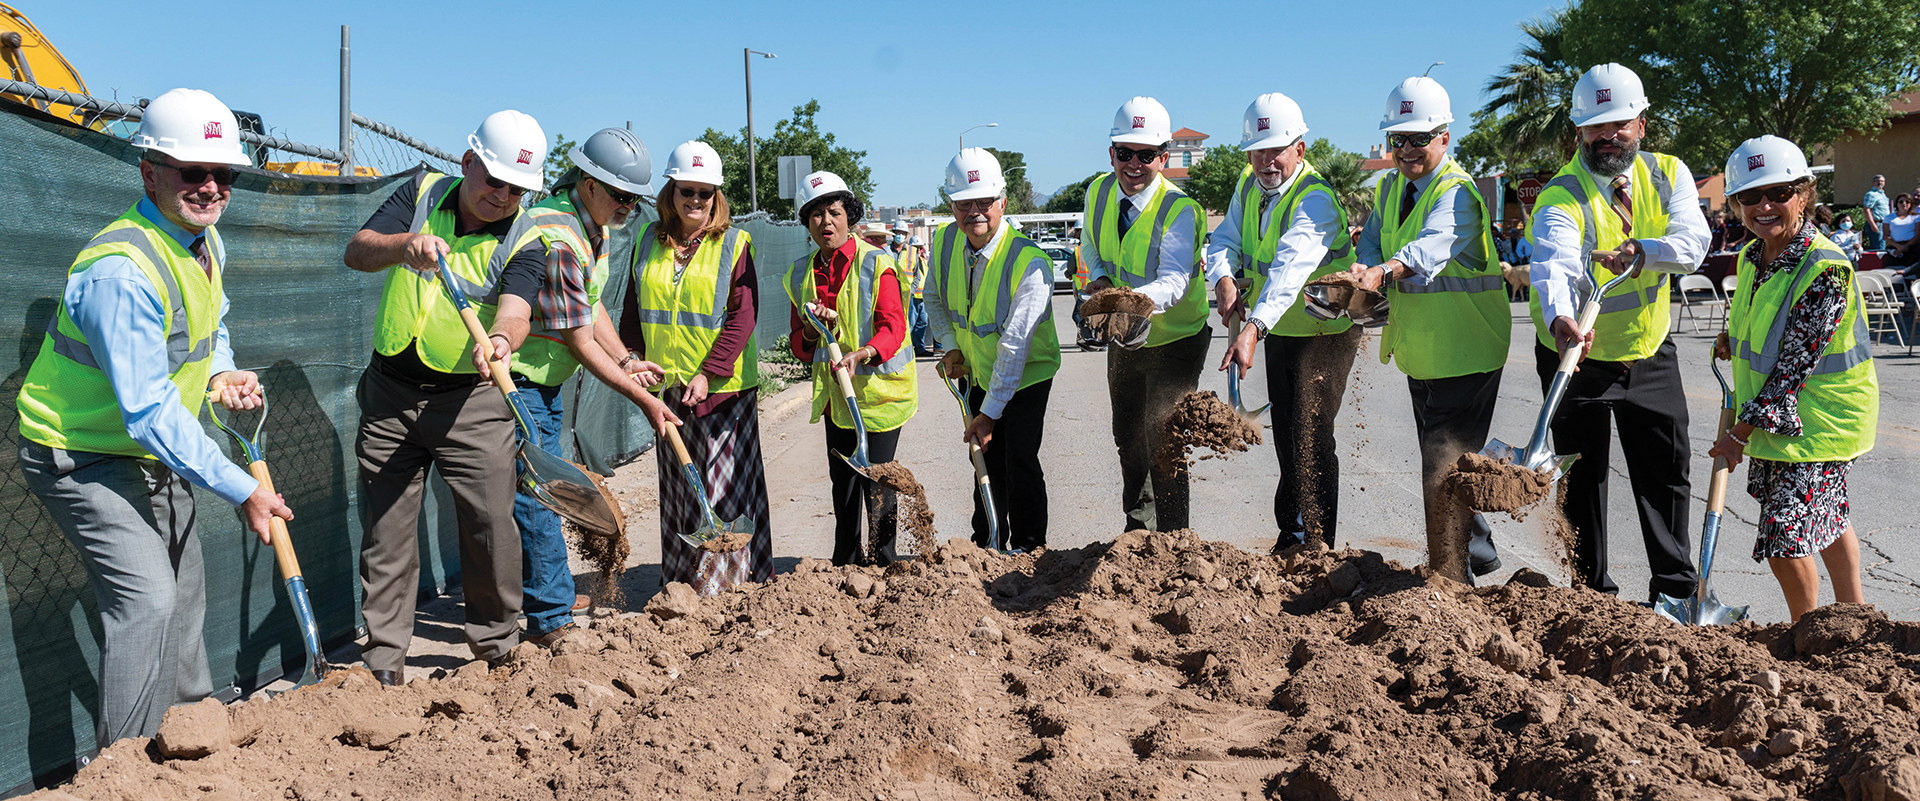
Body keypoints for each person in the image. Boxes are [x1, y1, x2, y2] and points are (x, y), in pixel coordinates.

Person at [16, 88, 294, 746]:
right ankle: (128, 767)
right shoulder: (122, 271)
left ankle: (189, 733)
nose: (210, 186)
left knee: (186, 588)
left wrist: (222, 371)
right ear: (149, 171)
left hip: (148, 451)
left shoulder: (204, 241)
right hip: (80, 454)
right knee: (147, 600)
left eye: (222, 173)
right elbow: (146, 411)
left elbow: (210, 322)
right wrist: (242, 486)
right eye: (191, 171)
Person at [343, 110, 552, 686]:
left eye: (517, 189)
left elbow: (516, 309)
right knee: (386, 528)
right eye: (494, 180)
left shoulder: (528, 237)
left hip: (471, 404)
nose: (504, 196)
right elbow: (358, 250)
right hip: (390, 394)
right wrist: (403, 246)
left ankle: (496, 650)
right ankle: (383, 663)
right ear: (467, 164)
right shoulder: (420, 191)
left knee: (490, 525)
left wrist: (504, 343)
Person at [489, 128, 679, 647]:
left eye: (633, 200)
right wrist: (641, 398)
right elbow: (577, 339)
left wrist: (627, 359)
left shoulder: (590, 227)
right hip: (517, 381)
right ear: (589, 182)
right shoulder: (558, 237)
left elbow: (592, 308)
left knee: (542, 489)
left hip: (545, 383)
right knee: (541, 493)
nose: (627, 207)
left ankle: (544, 597)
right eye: (620, 196)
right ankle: (550, 619)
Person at [1528, 63, 1710, 604]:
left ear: (1641, 124)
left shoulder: (1669, 174)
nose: (1608, 137)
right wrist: (1562, 318)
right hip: (1575, 355)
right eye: (1595, 128)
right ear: (1579, 131)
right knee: (1581, 482)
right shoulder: (1560, 194)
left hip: (1648, 351)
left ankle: (1676, 594)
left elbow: (1693, 243)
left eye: (1619, 125)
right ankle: (1591, 596)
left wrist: (1644, 252)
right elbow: (1553, 264)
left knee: (1666, 473)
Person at [1345, 76, 1510, 583]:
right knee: (1440, 460)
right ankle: (1475, 549)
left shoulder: (1457, 193)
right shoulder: (1392, 186)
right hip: (1422, 351)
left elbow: (1431, 247)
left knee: (1442, 465)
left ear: (1445, 137)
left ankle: (1452, 573)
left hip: (1468, 348)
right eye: (1399, 139)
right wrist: (1365, 270)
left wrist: (1385, 271)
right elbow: (1373, 240)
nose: (1409, 149)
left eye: (1421, 138)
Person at [1712, 135, 1876, 623]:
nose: (1764, 206)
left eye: (1779, 193)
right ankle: (1857, 618)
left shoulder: (1824, 268)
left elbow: (1791, 369)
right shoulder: (1751, 258)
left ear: (1804, 194)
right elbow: (1766, 326)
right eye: (1750, 197)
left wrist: (1736, 436)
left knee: (1786, 540)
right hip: (1782, 422)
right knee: (1827, 519)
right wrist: (1730, 335)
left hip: (1816, 422)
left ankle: (1809, 636)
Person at [1078, 96, 1236, 533]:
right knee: (1128, 437)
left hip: (1175, 340)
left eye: (1146, 155)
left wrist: (1121, 301)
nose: (1133, 164)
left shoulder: (1178, 210)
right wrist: (1100, 280)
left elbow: (1173, 281)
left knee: (1164, 439)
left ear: (1163, 158)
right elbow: (1090, 243)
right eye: (1124, 153)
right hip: (1126, 336)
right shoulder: (1097, 192)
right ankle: (1139, 530)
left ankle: (1173, 536)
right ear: (1111, 153)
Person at [1210, 93, 1359, 551]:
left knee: (1311, 436)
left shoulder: (1314, 200)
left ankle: (1314, 543)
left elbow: (1288, 272)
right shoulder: (1248, 185)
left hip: (1325, 333)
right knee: (1288, 439)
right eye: (1257, 150)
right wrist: (1224, 279)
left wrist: (1252, 329)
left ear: (1301, 147)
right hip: (1281, 332)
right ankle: (1292, 533)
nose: (1266, 159)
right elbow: (1224, 239)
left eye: (1276, 149)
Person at [621, 141, 774, 585]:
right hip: (668, 391)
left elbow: (742, 317)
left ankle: (729, 588)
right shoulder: (647, 242)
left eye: (704, 193)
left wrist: (710, 373)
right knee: (678, 491)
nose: (695, 200)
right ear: (670, 191)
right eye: (686, 190)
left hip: (722, 395)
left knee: (726, 493)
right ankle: (682, 585)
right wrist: (635, 360)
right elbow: (634, 313)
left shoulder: (733, 244)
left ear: (716, 197)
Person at [925, 149, 1060, 552]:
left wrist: (988, 415)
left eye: (984, 201)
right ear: (951, 206)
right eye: (964, 203)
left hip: (1026, 375)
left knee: (1018, 460)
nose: (975, 212)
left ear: (1003, 201)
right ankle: (984, 546)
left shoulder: (1029, 262)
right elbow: (932, 297)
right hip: (978, 372)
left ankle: (1030, 548)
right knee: (983, 462)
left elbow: (1015, 347)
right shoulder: (946, 240)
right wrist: (950, 348)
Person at [785, 171, 917, 565]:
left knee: (878, 481)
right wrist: (814, 332)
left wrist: (864, 353)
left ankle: (884, 558)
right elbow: (799, 343)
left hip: (880, 395)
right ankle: (845, 558)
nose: (826, 222)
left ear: (849, 216)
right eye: (816, 215)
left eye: (834, 212)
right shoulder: (800, 273)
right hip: (836, 400)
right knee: (842, 482)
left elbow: (894, 326)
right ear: (806, 223)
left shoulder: (877, 264)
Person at [1884, 194, 1919, 275]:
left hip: (1911, 248)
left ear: (1911, 204)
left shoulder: (1916, 217)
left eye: (1907, 202)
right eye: (1901, 202)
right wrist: (1898, 247)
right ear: (1897, 204)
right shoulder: (1889, 217)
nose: (1904, 203)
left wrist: (1905, 246)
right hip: (1894, 249)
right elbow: (1886, 235)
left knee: (1910, 273)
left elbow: (1918, 234)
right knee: (1891, 272)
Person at [1862, 174, 1889, 252]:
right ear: (1873, 182)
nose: (1880, 183)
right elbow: (1866, 210)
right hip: (1876, 224)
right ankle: (1875, 264)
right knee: (1877, 249)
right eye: (1878, 181)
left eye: (1882, 181)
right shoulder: (1871, 194)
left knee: (1882, 248)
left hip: (1884, 224)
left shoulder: (1883, 194)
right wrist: (1873, 224)